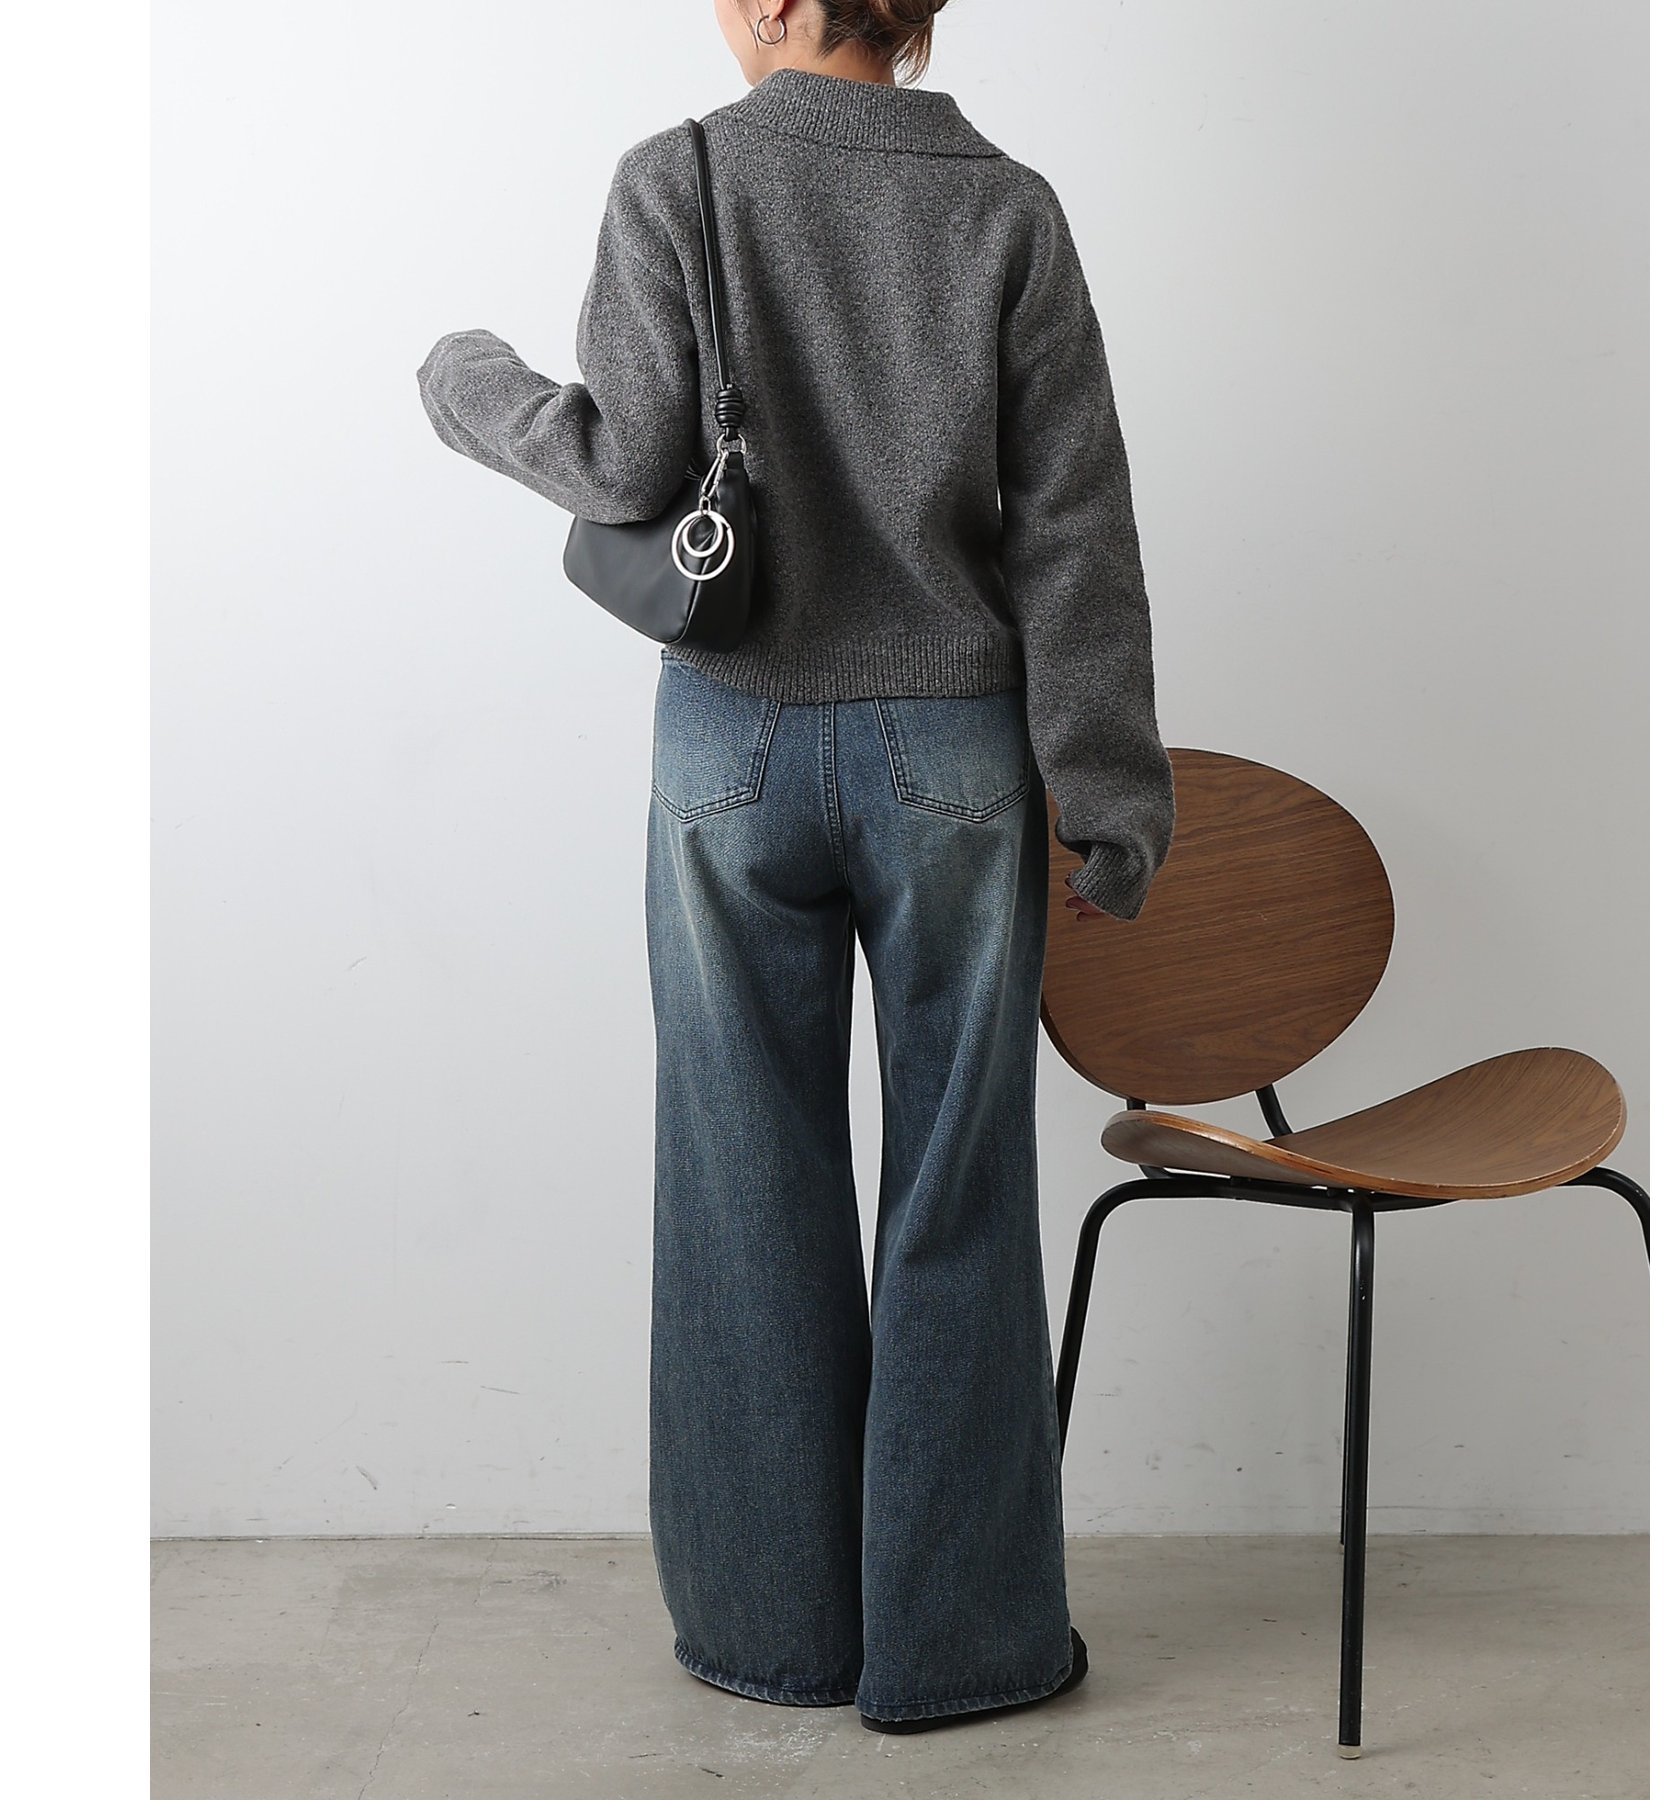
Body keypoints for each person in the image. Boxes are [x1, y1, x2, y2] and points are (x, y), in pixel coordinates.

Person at [416, 0, 1174, 1733]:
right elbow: (1076, 526)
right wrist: (1109, 795)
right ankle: (963, 1649)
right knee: (960, 1187)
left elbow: (625, 462)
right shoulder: (1009, 207)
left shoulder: (678, 175)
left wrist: (468, 384)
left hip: (733, 745)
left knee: (741, 1181)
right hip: (958, 757)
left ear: (774, 2)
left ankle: (775, 1634)